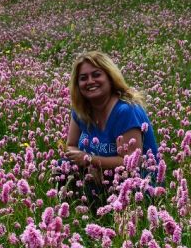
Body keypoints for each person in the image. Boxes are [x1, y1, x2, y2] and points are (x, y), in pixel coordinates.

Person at [62, 51, 159, 197]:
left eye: (96, 75)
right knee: (62, 167)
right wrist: (88, 165)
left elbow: (131, 163)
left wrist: (91, 161)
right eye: (83, 78)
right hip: (100, 175)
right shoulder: (81, 109)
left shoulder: (125, 111)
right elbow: (71, 146)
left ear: (110, 77)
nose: (90, 81)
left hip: (136, 181)